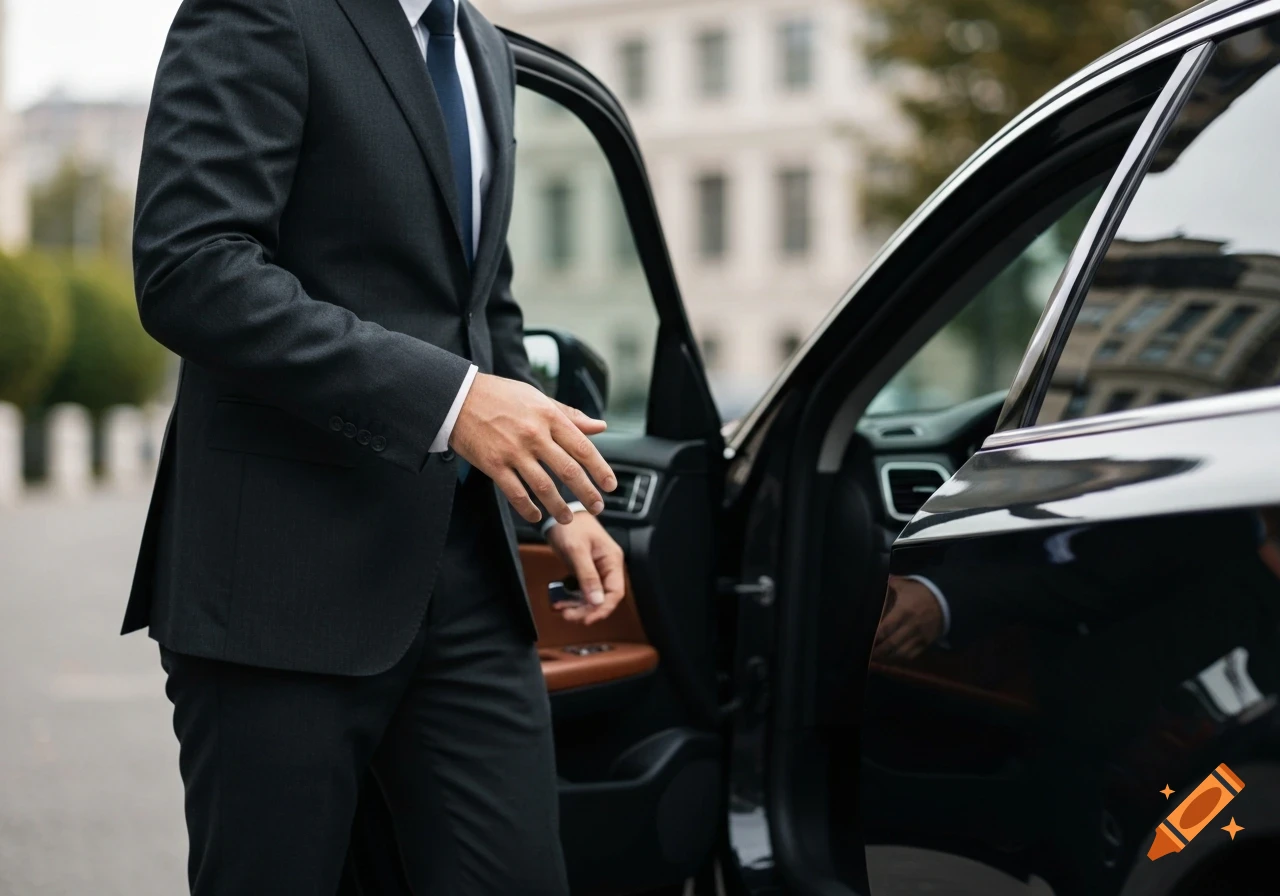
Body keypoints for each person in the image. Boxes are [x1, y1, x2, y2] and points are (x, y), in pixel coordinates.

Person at [121, 1, 626, 893]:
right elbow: (192, 268)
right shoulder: (263, 10)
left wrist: (560, 500)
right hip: (280, 586)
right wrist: (452, 402)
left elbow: (482, 308)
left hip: (468, 580)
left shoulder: (481, 48)